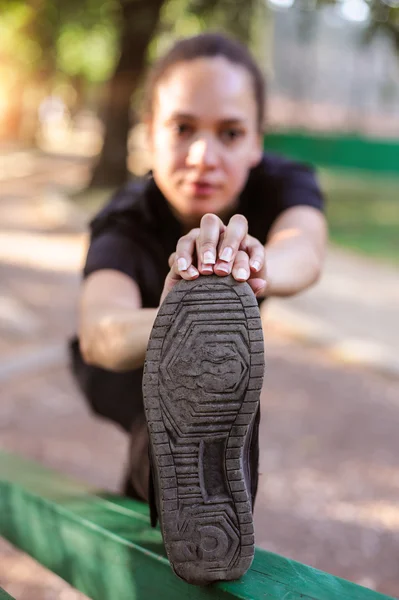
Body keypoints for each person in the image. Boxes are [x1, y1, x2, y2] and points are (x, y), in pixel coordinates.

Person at [70, 32, 327, 585]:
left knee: (216, 389)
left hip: (220, 368)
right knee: (161, 406)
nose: (203, 156)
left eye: (230, 133)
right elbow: (100, 332)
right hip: (125, 364)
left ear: (258, 142)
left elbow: (304, 250)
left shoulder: (283, 181)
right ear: (148, 134)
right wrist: (177, 314)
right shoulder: (126, 219)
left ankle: (201, 522)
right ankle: (193, 510)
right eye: (183, 128)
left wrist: (254, 270)